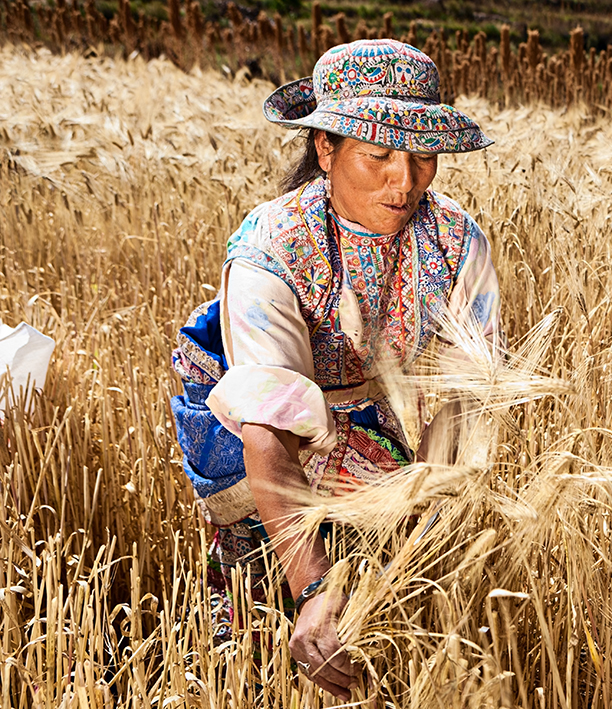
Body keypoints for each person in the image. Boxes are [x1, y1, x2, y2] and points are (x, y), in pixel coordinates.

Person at [170, 39, 503, 702]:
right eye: (378, 156)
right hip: (262, 438)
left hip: (380, 426)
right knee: (264, 603)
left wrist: (419, 510)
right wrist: (315, 584)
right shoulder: (274, 243)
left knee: (389, 613)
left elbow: (462, 396)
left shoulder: (456, 239)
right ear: (326, 149)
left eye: (421, 156)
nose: (403, 181)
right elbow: (267, 430)